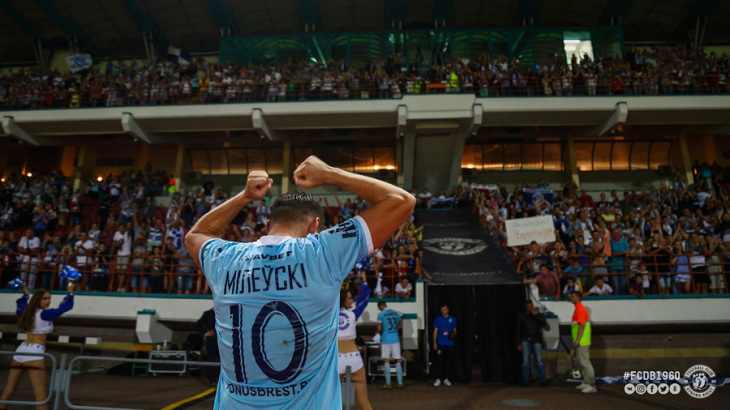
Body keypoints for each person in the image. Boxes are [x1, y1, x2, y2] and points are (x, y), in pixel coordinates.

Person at [184, 155, 415, 409]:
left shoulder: (227, 259)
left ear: (269, 223)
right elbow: (401, 201)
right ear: (315, 225)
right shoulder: (323, 252)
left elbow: (196, 235)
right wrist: (329, 173)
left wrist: (245, 196)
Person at [0, 282, 75, 410]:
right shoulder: (45, 314)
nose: (48, 301)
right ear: (37, 300)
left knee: (8, 390)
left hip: (20, 351)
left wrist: (24, 292)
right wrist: (70, 292)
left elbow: (23, 301)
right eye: (45, 298)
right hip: (35, 353)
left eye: (49, 298)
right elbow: (66, 307)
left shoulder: (26, 311)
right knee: (41, 396)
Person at [338, 272, 372, 409]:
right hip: (354, 358)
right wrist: (363, 280)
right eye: (350, 298)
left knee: (337, 403)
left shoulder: (327, 315)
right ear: (345, 300)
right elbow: (366, 296)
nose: (352, 301)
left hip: (337, 360)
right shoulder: (353, 313)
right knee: (364, 402)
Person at [517, 301, 550, 386]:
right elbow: (518, 330)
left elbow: (547, 327)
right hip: (525, 340)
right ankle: (525, 381)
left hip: (537, 340)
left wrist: (537, 316)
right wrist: (519, 343)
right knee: (525, 361)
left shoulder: (538, 315)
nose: (529, 308)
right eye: (527, 306)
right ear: (525, 307)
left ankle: (542, 380)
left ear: (533, 306)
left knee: (539, 360)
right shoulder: (522, 315)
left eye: (530, 306)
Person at [569, 291, 596, 394]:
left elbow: (582, 326)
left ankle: (591, 385)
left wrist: (577, 340)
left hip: (582, 341)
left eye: (573, 296)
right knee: (581, 362)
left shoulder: (580, 309)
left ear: (578, 298)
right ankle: (586, 382)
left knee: (585, 362)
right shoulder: (578, 308)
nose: (571, 298)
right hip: (581, 340)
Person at [376, 301, 403, 389]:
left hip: (386, 338)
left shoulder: (381, 314)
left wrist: (378, 334)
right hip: (395, 338)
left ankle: (388, 384)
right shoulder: (395, 312)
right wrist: (396, 329)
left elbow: (379, 328)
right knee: (398, 360)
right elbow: (400, 322)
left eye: (379, 307)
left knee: (386, 360)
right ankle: (400, 383)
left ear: (381, 306)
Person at [432, 303, 457, 387]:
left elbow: (455, 330)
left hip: (450, 344)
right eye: (442, 310)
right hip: (440, 344)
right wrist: (435, 343)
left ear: (448, 310)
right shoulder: (438, 319)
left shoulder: (453, 319)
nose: (444, 311)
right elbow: (435, 332)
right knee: (439, 362)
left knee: (448, 362)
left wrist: (452, 334)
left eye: (445, 309)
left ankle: (446, 379)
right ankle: (438, 379)